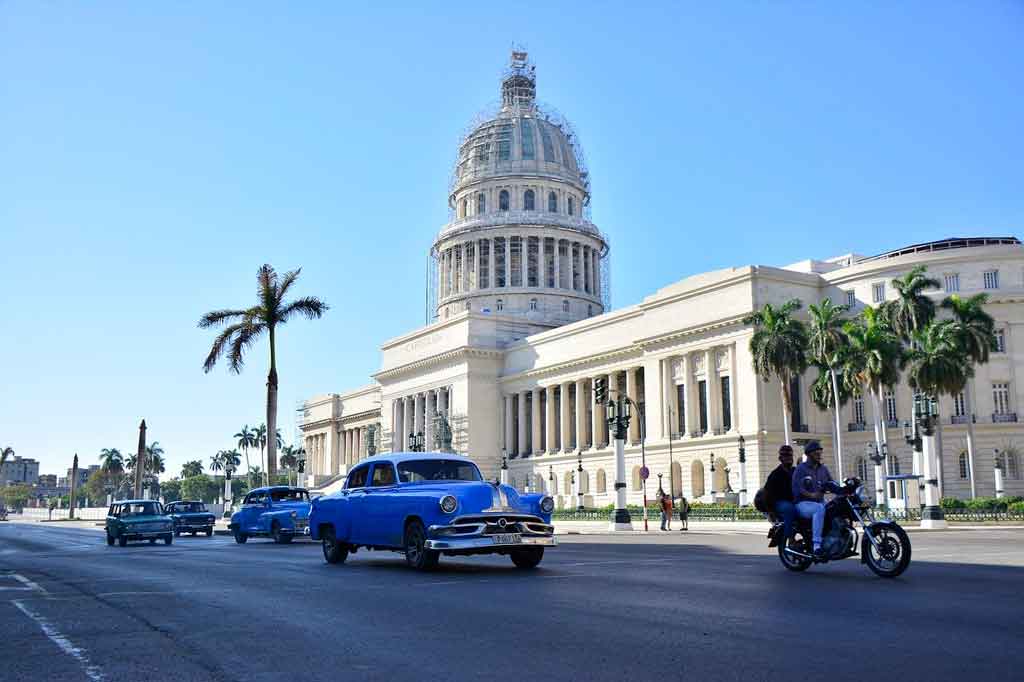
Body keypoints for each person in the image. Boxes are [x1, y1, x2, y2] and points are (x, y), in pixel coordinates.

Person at [792, 440, 841, 558]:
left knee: (834, 507)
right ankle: (816, 546)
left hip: (819, 502)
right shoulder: (801, 469)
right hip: (802, 504)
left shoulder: (823, 469)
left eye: (820, 453)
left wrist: (844, 489)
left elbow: (831, 483)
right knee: (819, 509)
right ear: (808, 454)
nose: (819, 455)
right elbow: (797, 489)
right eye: (816, 453)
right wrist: (811, 495)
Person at [763, 445, 797, 546]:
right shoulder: (775, 474)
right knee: (789, 509)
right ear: (780, 458)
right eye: (785, 455)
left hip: (795, 500)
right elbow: (767, 493)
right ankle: (790, 539)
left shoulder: (796, 471)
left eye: (790, 455)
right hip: (780, 502)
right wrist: (770, 511)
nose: (788, 458)